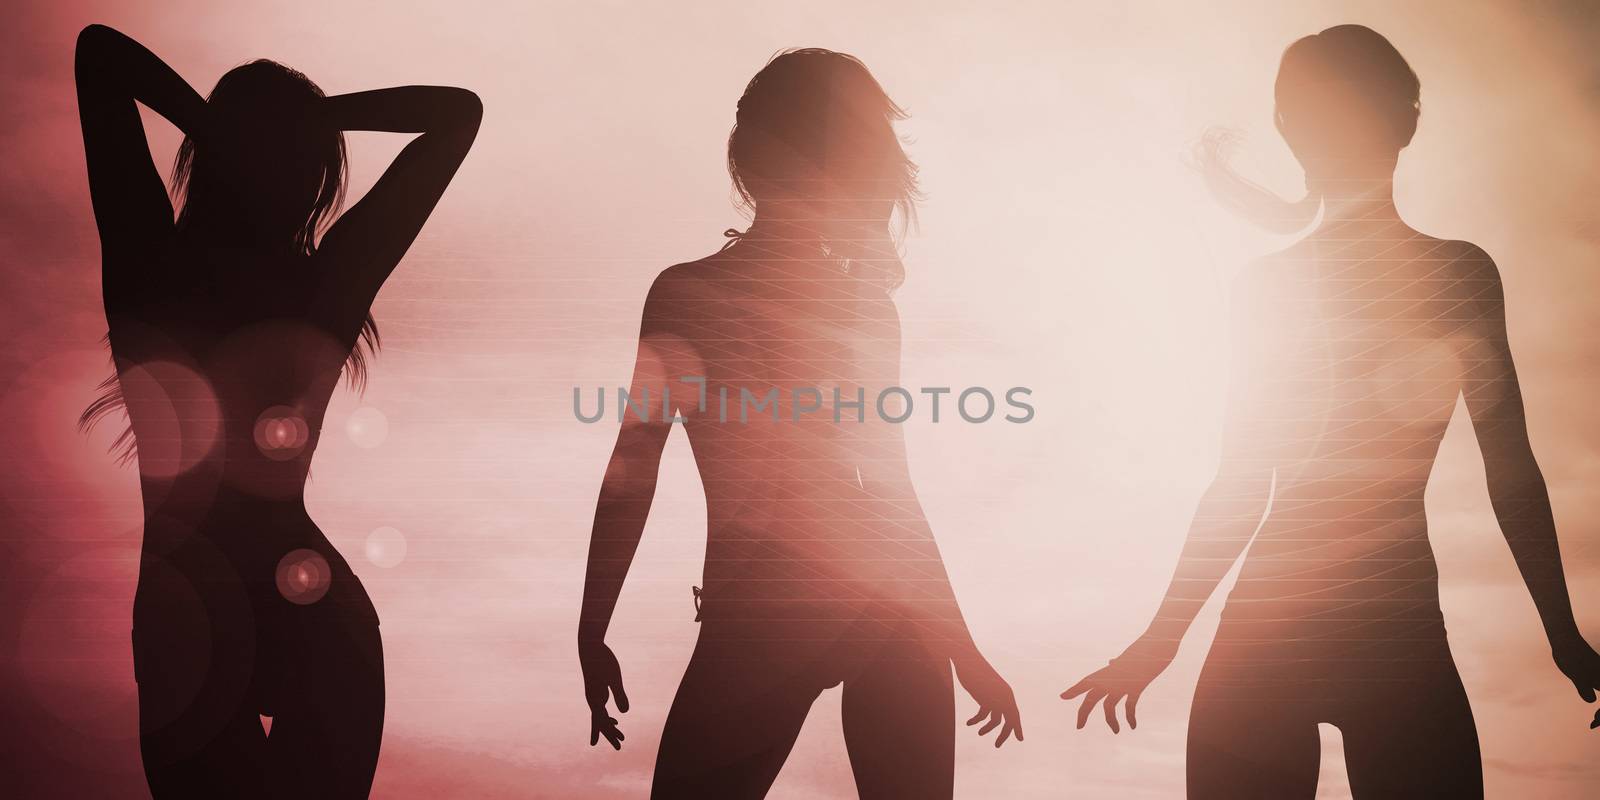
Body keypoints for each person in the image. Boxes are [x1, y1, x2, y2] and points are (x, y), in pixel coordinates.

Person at [1062, 24, 1600, 799]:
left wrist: (1162, 640)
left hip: (1284, 633)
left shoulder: (1281, 288)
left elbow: (1243, 484)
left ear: (1291, 130)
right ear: (1408, 122)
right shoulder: (1456, 275)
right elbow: (1508, 469)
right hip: (1389, 633)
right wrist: (1560, 633)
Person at [577, 48, 1020, 799]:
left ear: (748, 161)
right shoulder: (862, 309)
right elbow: (889, 495)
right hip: (879, 602)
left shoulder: (688, 294)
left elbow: (635, 466)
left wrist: (593, 624)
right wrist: (962, 648)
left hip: (764, 607)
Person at [75, 24, 480, 797]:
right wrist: (314, 121)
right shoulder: (322, 289)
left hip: (186, 610)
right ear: (314, 176)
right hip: (300, 605)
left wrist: (224, 126)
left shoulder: (151, 271)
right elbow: (456, 115)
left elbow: (100, 53)